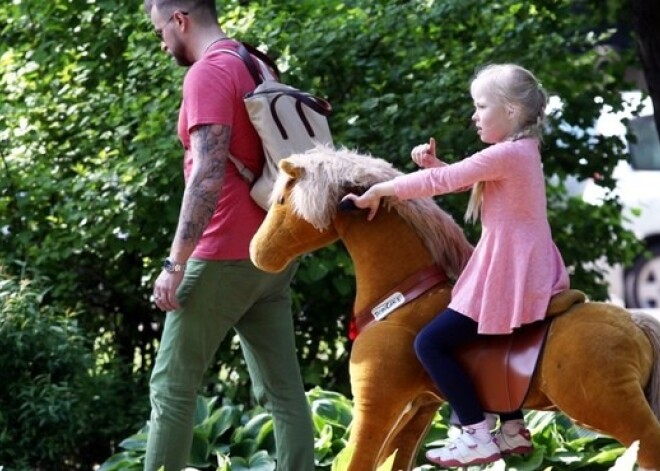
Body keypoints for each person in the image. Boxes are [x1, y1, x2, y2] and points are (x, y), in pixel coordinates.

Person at [342, 63, 569, 468]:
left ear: (513, 111)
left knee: (430, 343)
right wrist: (433, 165)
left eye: (481, 106)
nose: (474, 115)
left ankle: (476, 433)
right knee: (487, 340)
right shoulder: (520, 153)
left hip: (508, 267)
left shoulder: (508, 153)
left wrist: (381, 189)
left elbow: (444, 185)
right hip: (520, 261)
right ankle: (512, 427)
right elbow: (460, 179)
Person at [142, 1, 315, 470]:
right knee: (283, 392)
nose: (161, 43)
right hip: (273, 250)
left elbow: (206, 173)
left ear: (180, 19)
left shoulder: (208, 73)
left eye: (160, 31)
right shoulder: (255, 60)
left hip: (223, 255)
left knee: (172, 387)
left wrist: (175, 264)